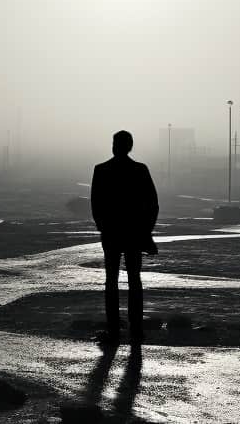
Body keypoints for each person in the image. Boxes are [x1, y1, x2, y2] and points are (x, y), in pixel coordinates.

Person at [90, 130, 159, 344]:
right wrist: (145, 232)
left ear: (114, 145)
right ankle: (136, 329)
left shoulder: (101, 170)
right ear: (130, 146)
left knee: (111, 281)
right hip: (133, 234)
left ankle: (113, 331)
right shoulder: (140, 170)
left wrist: (104, 227)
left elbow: (96, 204)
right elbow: (153, 205)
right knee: (134, 281)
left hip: (111, 234)